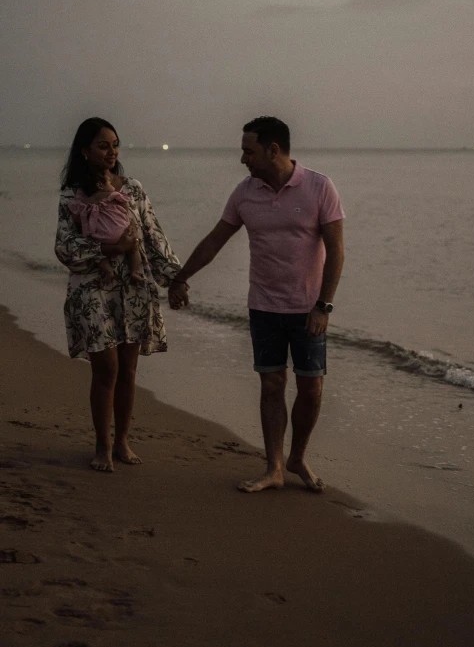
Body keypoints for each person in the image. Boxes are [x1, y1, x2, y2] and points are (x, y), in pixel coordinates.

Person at [169, 116, 344, 493]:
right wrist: (180, 277)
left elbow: (337, 251)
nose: (243, 159)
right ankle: (274, 467)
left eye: (249, 151)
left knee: (311, 388)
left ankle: (297, 457)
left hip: (308, 308)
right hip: (264, 306)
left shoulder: (319, 187)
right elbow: (215, 240)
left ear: (273, 150)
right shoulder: (245, 192)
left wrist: (323, 306)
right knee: (271, 385)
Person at [55, 117, 184, 472]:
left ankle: (123, 442)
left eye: (114, 145)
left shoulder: (134, 189)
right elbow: (64, 247)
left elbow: (155, 239)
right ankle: (102, 446)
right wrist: (111, 249)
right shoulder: (72, 195)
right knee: (106, 370)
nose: (111, 152)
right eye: (102, 145)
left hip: (134, 288)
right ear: (84, 151)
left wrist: (176, 279)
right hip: (93, 287)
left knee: (128, 370)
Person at [68, 166, 143, 286]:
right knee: (134, 248)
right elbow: (124, 206)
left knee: (98, 256)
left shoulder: (86, 202)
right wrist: (128, 222)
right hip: (120, 233)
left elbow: (77, 218)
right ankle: (134, 271)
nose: (112, 185)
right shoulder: (113, 195)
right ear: (100, 185)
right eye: (109, 182)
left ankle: (108, 271)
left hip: (101, 237)